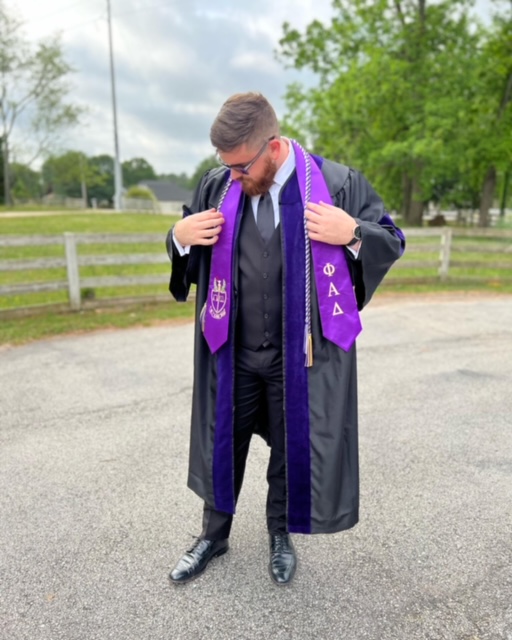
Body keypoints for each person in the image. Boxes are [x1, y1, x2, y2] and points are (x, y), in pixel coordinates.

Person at [166, 92, 405, 586]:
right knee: (222, 441)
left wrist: (353, 232)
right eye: (225, 165)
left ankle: (280, 534)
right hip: (229, 348)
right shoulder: (217, 186)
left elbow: (391, 239)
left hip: (297, 356)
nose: (232, 176)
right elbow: (185, 254)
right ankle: (213, 534)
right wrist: (179, 235)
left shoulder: (336, 185)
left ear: (272, 148)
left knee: (287, 447)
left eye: (240, 165)